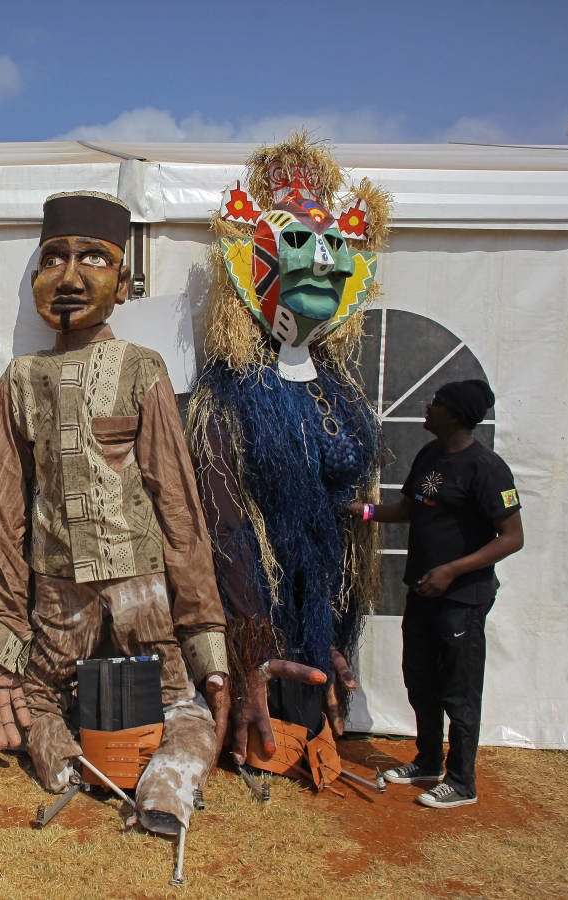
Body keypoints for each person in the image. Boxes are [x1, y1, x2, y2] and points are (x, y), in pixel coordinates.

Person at [0, 191, 228, 835]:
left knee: (183, 705)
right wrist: (5, 631)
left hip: (141, 585)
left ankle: (168, 788)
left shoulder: (143, 369)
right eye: (53, 258)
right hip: (57, 590)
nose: (69, 277)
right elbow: (3, 518)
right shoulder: (18, 380)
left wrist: (206, 638)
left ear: (122, 283)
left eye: (94, 258)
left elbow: (178, 505)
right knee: (37, 700)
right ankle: (72, 768)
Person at [190, 134, 389, 789]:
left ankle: (315, 727)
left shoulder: (341, 390)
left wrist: (363, 513)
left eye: (332, 247)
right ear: (253, 262)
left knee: (321, 640)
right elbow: (222, 518)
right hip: (259, 583)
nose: (320, 262)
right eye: (295, 246)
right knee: (275, 648)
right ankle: (259, 736)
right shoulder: (230, 393)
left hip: (326, 573)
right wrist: (245, 634)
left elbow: (354, 494)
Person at [347, 378, 524, 808]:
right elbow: (409, 510)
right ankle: (427, 761)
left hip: (462, 598)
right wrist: (364, 511)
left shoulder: (487, 468)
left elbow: (512, 537)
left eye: (437, 402)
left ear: (455, 414)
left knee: (458, 689)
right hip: (423, 591)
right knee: (420, 679)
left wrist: (451, 570)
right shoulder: (431, 457)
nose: (428, 406)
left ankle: (462, 781)